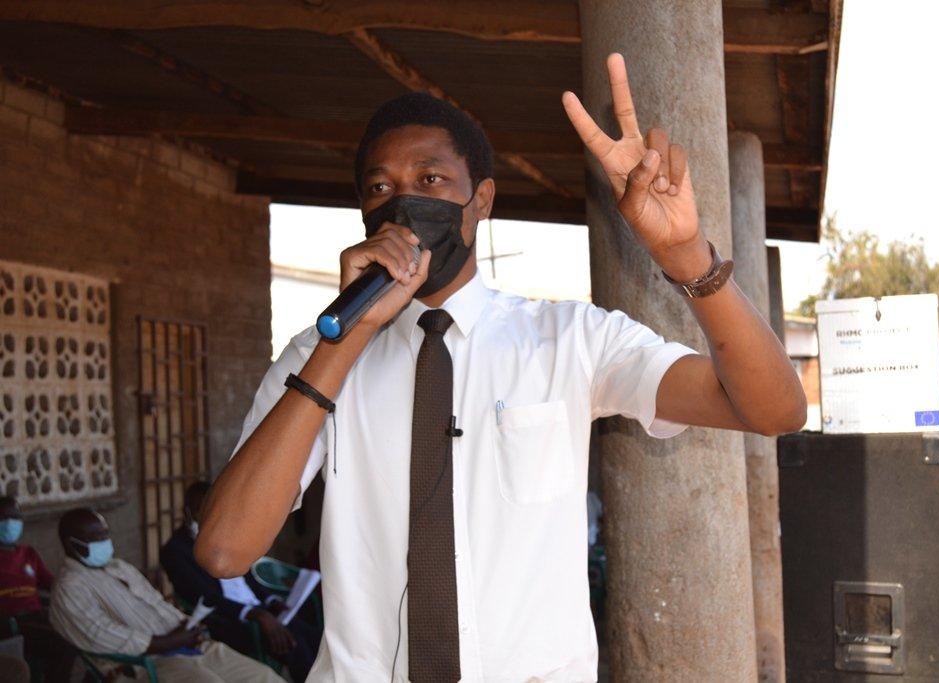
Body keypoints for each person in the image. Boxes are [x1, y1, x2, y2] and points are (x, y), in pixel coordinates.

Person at [197, 54, 806, 681]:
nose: (405, 203)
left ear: (480, 199)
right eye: (381, 188)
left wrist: (687, 256)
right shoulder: (318, 355)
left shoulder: (570, 339)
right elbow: (222, 551)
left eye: (431, 179)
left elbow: (775, 410)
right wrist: (344, 342)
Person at [49, 508, 284, 683]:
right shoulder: (70, 588)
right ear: (71, 545)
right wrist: (171, 642)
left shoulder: (118, 567)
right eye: (96, 538)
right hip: (146, 665)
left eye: (105, 535)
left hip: (189, 646)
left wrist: (187, 625)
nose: (104, 542)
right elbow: (102, 634)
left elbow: (156, 603)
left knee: (263, 677)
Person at [161, 482, 320, 682]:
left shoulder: (223, 537)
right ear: (188, 512)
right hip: (230, 619)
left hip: (260, 610)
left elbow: (248, 578)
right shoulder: (176, 551)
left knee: (315, 637)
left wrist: (271, 601)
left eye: (213, 508)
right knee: (295, 645)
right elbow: (202, 595)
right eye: (202, 509)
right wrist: (255, 614)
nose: (210, 515)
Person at [0, 496, 78, 681]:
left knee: (79, 631)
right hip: (12, 624)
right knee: (63, 644)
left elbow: (50, 583)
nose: (10, 523)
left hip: (38, 615)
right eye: (3, 518)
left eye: (15, 517)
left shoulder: (28, 553)